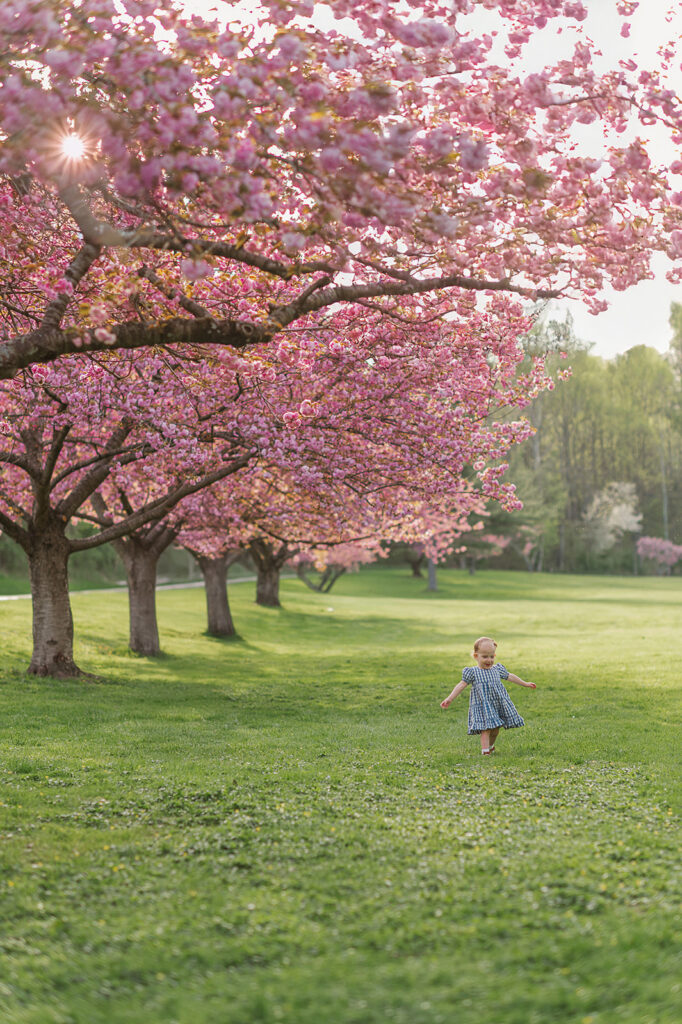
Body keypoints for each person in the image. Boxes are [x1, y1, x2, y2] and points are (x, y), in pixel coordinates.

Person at [440, 636, 536, 755]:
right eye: (485, 657)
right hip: (482, 705)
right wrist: (450, 698)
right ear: (476, 656)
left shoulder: (497, 670)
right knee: (486, 729)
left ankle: (490, 746)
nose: (489, 660)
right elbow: (461, 685)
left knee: (495, 730)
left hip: (497, 703)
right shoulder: (473, 672)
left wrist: (525, 684)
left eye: (491, 656)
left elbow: (510, 676)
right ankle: (485, 751)